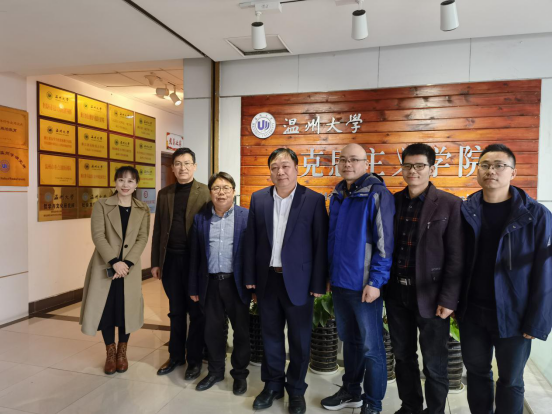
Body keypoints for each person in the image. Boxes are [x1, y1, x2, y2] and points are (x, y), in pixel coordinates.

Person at [457, 143, 552, 414]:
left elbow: (546, 271)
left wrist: (538, 320)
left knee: (510, 380)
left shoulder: (536, 214)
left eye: (500, 166)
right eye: (485, 165)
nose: (491, 171)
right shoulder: (466, 210)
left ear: (513, 172)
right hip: (472, 312)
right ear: (477, 170)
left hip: (515, 314)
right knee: (476, 373)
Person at [244, 148, 328, 414]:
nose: (280, 172)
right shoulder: (258, 199)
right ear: (270, 171)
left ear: (296, 169)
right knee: (270, 336)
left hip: (300, 282)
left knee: (300, 340)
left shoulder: (313, 200)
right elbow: (251, 241)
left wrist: (318, 284)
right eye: (275, 167)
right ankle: (272, 386)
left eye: (285, 166)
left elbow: (320, 243)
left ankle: (296, 390)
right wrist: (250, 278)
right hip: (267, 280)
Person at [385, 144, 464, 414]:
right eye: (408, 165)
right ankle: (410, 407)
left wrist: (449, 299)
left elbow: (456, 257)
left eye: (420, 165)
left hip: (432, 297)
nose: (413, 171)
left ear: (432, 168)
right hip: (397, 294)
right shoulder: (393, 201)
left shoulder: (450, 204)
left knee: (434, 362)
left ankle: (435, 410)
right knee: (403, 357)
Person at [321, 143, 394, 414]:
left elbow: (385, 244)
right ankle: (351, 391)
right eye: (343, 159)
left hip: (365, 287)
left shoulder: (377, 194)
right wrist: (329, 274)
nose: (347, 164)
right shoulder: (338, 194)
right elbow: (332, 240)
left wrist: (375, 282)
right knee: (349, 342)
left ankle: (373, 404)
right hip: (340, 284)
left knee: (371, 348)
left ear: (366, 163)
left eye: (354, 159)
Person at [80, 166, 150, 375]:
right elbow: (98, 235)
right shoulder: (102, 205)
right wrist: (114, 262)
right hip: (105, 266)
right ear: (115, 182)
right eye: (121, 180)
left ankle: (122, 352)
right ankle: (110, 352)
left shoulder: (142, 209)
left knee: (126, 309)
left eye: (130, 181)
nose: (125, 185)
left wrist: (126, 263)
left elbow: (142, 238)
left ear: (136, 185)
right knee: (106, 310)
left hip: (129, 269)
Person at [189, 172, 251, 395]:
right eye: (216, 188)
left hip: (236, 284)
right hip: (210, 284)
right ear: (210, 192)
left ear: (234, 191)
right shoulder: (201, 218)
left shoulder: (246, 216)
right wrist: (193, 287)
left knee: (241, 332)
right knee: (212, 331)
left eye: (226, 188)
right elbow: (195, 256)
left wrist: (253, 283)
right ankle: (215, 372)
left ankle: (239, 375)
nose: (221, 192)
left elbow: (254, 253)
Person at [151, 148, 211, 378]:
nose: (182, 167)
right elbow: (158, 230)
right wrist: (156, 262)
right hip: (171, 261)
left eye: (187, 163)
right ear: (172, 168)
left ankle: (194, 360)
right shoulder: (164, 194)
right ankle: (176, 356)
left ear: (194, 166)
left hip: (194, 262)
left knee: (196, 312)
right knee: (175, 311)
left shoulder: (205, 192)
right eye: (178, 163)